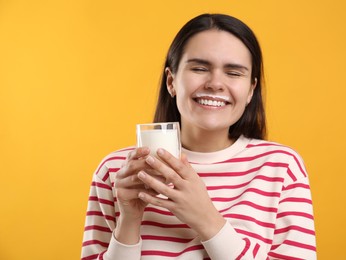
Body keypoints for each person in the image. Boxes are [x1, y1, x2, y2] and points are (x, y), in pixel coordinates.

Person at [81, 13, 316, 260]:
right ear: (171, 81)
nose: (215, 83)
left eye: (234, 73)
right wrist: (128, 221)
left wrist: (206, 219)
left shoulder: (280, 167)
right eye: (200, 68)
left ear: (250, 90)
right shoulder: (117, 171)